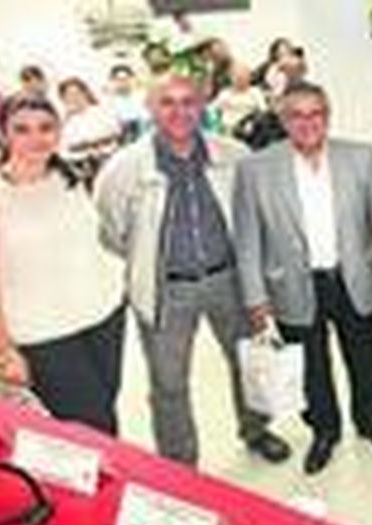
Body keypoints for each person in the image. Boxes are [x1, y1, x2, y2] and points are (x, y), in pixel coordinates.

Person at [92, 75, 288, 466]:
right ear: (150, 108)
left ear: (203, 107)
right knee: (169, 382)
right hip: (167, 289)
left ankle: (256, 429)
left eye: (188, 101)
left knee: (247, 362)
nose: (179, 112)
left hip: (229, 279)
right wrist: (148, 259)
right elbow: (112, 232)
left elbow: (255, 219)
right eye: (167, 102)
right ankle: (180, 464)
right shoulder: (123, 169)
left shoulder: (235, 155)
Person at [232, 82, 372, 475]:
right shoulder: (256, 169)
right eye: (297, 115)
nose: (307, 123)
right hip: (293, 284)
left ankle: (370, 420)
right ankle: (325, 431)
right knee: (312, 366)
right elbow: (247, 238)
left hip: (353, 277)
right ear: (283, 119)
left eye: (316, 114)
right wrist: (256, 298)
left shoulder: (361, 157)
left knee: (364, 356)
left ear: (328, 117)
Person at [0, 95, 127, 434]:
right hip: (43, 336)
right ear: (3, 134)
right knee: (92, 428)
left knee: (104, 414)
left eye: (46, 127)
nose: (36, 138)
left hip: (104, 317)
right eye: (22, 129)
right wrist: (3, 352)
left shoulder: (71, 177)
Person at [57, 78, 122, 173]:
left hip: (108, 161)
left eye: (76, 93)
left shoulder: (100, 112)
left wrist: (92, 145)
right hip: (80, 167)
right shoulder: (67, 122)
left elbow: (115, 132)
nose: (73, 98)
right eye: (68, 95)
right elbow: (64, 149)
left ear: (85, 93)